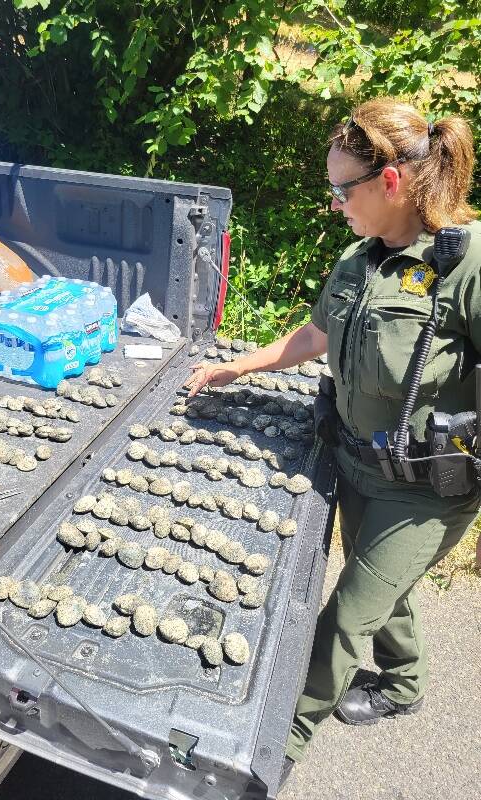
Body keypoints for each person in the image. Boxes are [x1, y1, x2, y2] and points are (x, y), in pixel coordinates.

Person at [185, 97, 480, 782]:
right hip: (357, 461)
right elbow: (317, 335)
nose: (333, 203)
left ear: (392, 182)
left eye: (341, 189)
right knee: (385, 587)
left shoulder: (466, 266)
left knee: (347, 616)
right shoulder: (358, 256)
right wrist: (240, 362)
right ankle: (403, 684)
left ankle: (266, 758)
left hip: (427, 492)